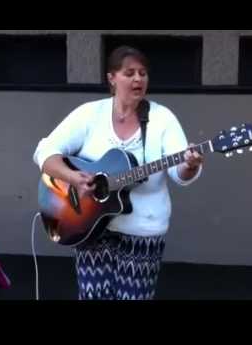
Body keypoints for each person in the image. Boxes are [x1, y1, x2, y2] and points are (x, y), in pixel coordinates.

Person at [33, 46, 204, 300]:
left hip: (143, 233)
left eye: (143, 73)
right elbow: (44, 150)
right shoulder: (90, 114)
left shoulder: (162, 119)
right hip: (89, 227)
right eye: (130, 73)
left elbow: (179, 174)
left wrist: (189, 165)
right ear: (112, 78)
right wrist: (72, 178)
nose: (138, 79)